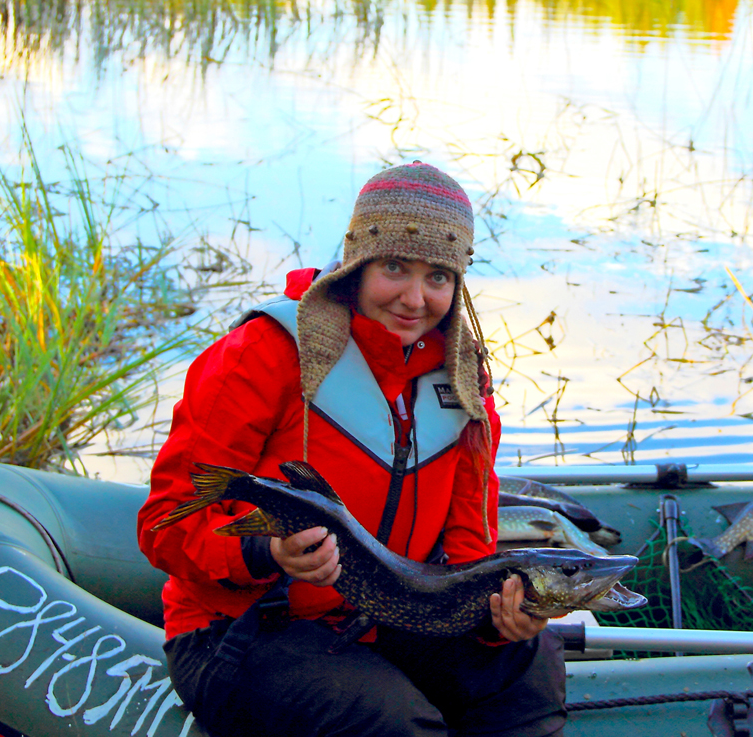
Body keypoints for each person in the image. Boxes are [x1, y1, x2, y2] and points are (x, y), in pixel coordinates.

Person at [136, 162, 567, 737]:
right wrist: (266, 553)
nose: (415, 298)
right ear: (358, 263)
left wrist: (498, 621)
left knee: (529, 662)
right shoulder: (261, 354)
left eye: (438, 277)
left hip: (382, 619)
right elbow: (164, 522)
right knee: (387, 717)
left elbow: (469, 552)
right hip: (238, 631)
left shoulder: (463, 384)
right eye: (395, 267)